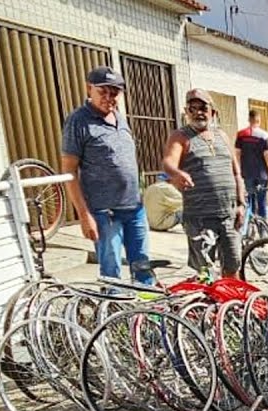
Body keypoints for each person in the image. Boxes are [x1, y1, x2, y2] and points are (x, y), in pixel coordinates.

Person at [60, 66, 152, 284]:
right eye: (103, 92)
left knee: (143, 266)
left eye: (114, 93)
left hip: (134, 209)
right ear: (88, 89)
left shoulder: (120, 118)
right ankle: (116, 314)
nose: (109, 98)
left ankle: (147, 314)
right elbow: (69, 171)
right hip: (105, 212)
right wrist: (84, 215)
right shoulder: (78, 121)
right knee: (112, 273)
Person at [162, 89, 245, 278]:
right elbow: (168, 163)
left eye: (203, 108)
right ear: (186, 111)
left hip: (228, 215)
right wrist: (176, 173)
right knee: (205, 272)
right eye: (193, 108)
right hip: (200, 218)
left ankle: (230, 306)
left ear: (212, 112)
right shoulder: (180, 137)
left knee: (233, 266)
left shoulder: (222, 136)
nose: (198, 112)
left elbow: (236, 172)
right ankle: (207, 307)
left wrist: (241, 204)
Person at [235, 109, 268, 220]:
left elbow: (237, 154)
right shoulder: (264, 135)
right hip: (262, 174)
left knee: (250, 200)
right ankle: (263, 231)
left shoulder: (241, 134)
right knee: (261, 201)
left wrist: (238, 170)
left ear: (249, 119)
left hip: (246, 173)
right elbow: (267, 156)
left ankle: (250, 227)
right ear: (258, 120)